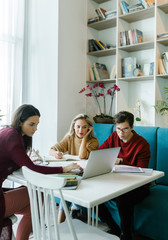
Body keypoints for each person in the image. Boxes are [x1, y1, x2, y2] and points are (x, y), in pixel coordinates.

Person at [0, 104, 82, 240]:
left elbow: (17, 162)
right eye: (31, 124)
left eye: (37, 124)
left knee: (33, 205)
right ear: (20, 121)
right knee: (38, 194)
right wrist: (63, 169)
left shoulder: (8, 131)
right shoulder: (12, 137)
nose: (35, 129)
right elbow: (32, 168)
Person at [97, 111, 150, 240]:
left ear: (132, 127)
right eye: (118, 129)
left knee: (123, 199)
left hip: (139, 186)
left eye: (125, 129)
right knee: (95, 194)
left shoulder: (142, 144)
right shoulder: (114, 136)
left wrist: (120, 161)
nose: (121, 133)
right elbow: (99, 153)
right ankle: (113, 227)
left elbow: (141, 171)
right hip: (117, 181)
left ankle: (126, 235)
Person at [49, 113, 99, 223]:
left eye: (84, 127)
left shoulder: (93, 141)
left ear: (89, 129)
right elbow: (51, 149)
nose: (80, 130)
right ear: (73, 127)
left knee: (68, 188)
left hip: (86, 174)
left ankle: (72, 210)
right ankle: (65, 220)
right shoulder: (69, 138)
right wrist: (56, 153)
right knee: (66, 188)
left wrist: (85, 137)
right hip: (72, 172)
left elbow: (82, 156)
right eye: (78, 126)